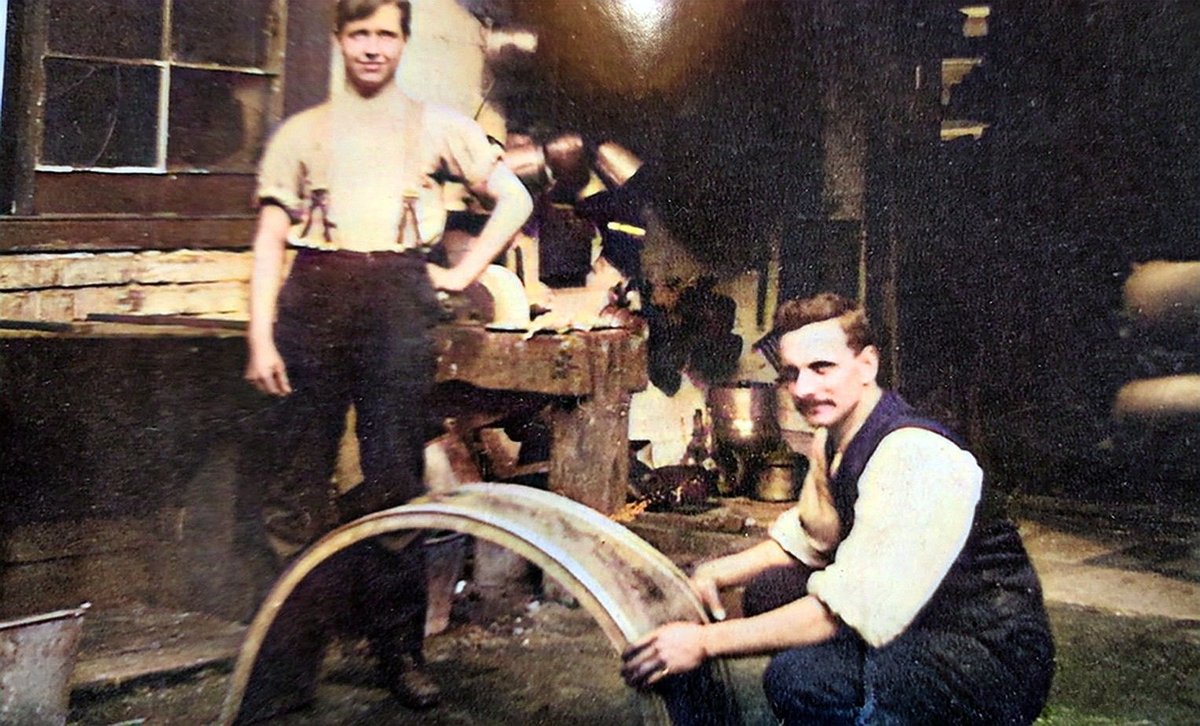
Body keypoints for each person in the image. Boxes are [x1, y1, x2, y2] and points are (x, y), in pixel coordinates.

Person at [234, 0, 532, 721]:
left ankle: (399, 654)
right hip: (314, 298)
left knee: (395, 479)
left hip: (398, 299)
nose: (372, 48)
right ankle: (288, 670)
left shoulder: (438, 126)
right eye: (359, 33)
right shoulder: (301, 133)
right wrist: (261, 337)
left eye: (386, 35)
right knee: (295, 488)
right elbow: (272, 239)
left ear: (403, 42)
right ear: (340, 40)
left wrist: (461, 278)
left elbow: (514, 198)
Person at [621, 292, 1055, 724]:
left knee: (801, 678)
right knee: (769, 591)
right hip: (918, 618)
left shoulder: (913, 454)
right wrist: (714, 572)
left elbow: (848, 606)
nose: (803, 389)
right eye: (791, 374)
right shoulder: (833, 438)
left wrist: (703, 642)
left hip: (986, 655)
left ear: (867, 364)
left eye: (821, 368)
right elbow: (810, 540)